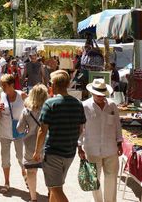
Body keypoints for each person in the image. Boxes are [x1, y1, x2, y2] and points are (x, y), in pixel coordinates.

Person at [33, 70, 86, 202]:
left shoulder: (50, 103)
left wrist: (37, 151)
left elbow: (42, 130)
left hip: (53, 152)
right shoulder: (77, 104)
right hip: (69, 152)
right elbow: (80, 128)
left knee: (56, 188)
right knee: (55, 187)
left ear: (54, 85)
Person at [78, 78, 123, 202]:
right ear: (92, 92)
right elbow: (81, 128)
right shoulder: (84, 106)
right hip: (91, 149)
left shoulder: (112, 105)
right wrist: (79, 147)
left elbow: (117, 125)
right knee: (94, 179)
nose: (100, 96)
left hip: (111, 149)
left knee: (111, 178)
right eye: (97, 94)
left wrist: (120, 143)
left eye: (102, 94)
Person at [17, 84, 48, 202]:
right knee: (48, 171)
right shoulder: (49, 109)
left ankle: (33, 198)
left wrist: (27, 129)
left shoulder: (26, 111)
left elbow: (19, 129)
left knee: (31, 171)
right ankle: (51, 194)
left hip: (30, 145)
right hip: (46, 144)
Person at [0, 74, 26, 193]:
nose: (2, 88)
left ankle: (25, 175)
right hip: (4, 132)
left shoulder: (22, 95)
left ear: (12, 85)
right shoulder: (0, 96)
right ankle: (6, 182)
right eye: (1, 85)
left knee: (21, 157)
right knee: (5, 158)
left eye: (4, 85)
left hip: (19, 131)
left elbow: (31, 110)